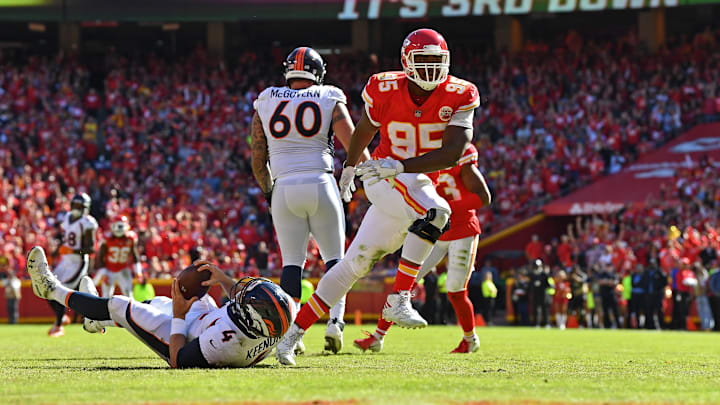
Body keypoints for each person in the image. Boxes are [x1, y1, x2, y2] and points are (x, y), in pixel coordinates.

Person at [276, 28, 482, 365]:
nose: (430, 68)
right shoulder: (385, 87)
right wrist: (350, 167)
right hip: (381, 177)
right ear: (406, 61)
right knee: (437, 213)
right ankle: (400, 298)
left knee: (351, 266)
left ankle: (290, 337)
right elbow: (363, 131)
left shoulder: (461, 94)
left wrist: (399, 166)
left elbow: (453, 152)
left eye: (436, 61)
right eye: (423, 60)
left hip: (405, 176)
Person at [251, 46, 370, 354]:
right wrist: (362, 173)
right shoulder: (329, 95)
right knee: (335, 259)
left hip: (284, 186)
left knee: (292, 263)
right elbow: (352, 139)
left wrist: (268, 191)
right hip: (320, 180)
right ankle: (335, 323)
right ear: (318, 72)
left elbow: (257, 157)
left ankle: (294, 332)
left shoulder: (267, 99)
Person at [26, 246, 293, 368]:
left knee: (121, 306)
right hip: (210, 321)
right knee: (161, 301)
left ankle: (50, 289)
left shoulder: (223, 343)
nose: (241, 293)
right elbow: (248, 305)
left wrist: (178, 317)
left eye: (247, 299)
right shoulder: (272, 322)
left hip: (188, 340)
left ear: (251, 317)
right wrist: (221, 277)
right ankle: (97, 320)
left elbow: (179, 360)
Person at [353, 144, 491, 354]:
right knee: (404, 284)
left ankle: (470, 339)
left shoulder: (460, 151)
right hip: (436, 230)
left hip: (462, 228)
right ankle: (377, 337)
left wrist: (443, 208)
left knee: (455, 288)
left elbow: (483, 197)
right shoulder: (421, 146)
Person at [48, 193, 98, 337]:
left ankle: (58, 325)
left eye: (79, 206)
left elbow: (90, 249)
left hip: (78, 262)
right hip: (65, 260)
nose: (76, 209)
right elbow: (66, 240)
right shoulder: (67, 217)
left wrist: (71, 250)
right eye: (75, 205)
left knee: (60, 290)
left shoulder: (88, 222)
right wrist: (58, 250)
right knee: (47, 286)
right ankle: (62, 318)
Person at [94, 215, 142, 299]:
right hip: (108, 269)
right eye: (117, 225)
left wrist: (138, 270)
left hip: (123, 269)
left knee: (129, 295)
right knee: (106, 296)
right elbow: (100, 257)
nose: (119, 229)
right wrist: (103, 272)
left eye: (121, 226)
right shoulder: (107, 238)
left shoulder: (130, 238)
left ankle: (128, 312)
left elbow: (134, 254)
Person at [1, 256, 21, 324]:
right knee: (9, 309)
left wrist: (10, 282)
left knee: (14, 309)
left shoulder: (16, 281)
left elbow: (15, 286)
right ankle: (11, 321)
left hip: (14, 297)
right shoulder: (8, 280)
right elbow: (4, 283)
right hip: (9, 297)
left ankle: (14, 321)